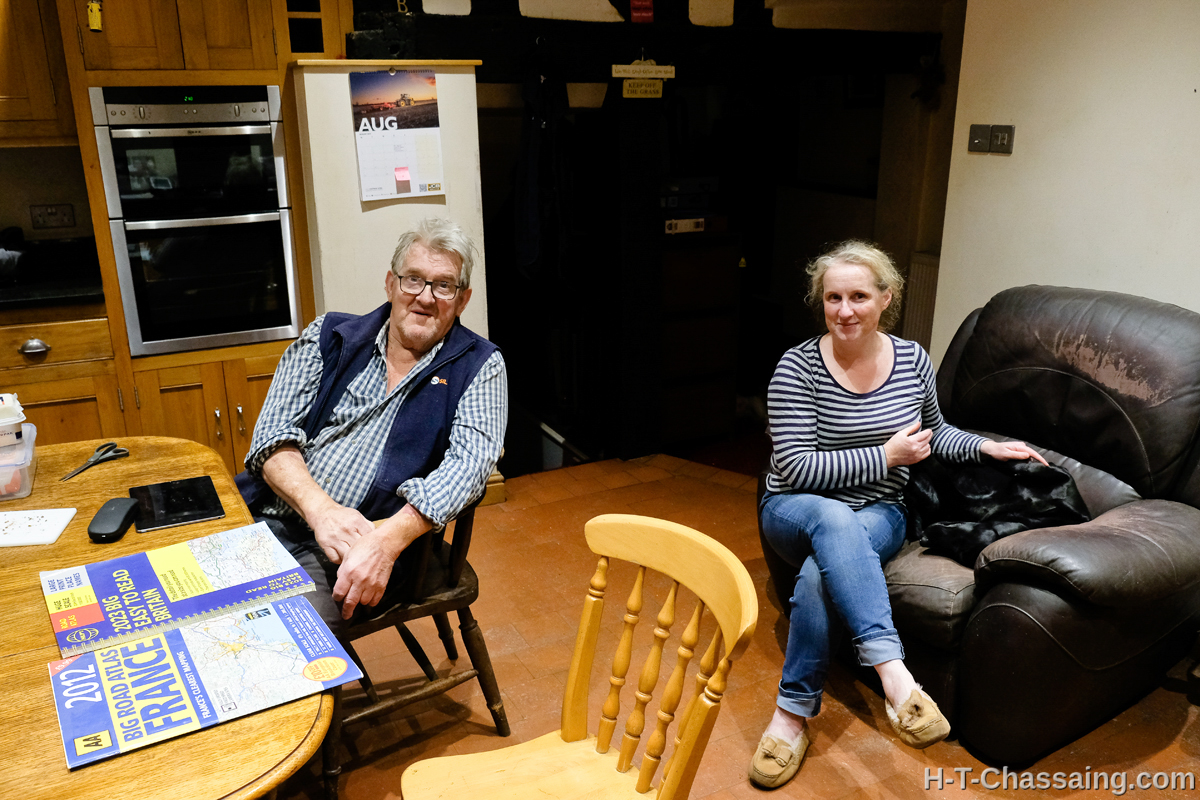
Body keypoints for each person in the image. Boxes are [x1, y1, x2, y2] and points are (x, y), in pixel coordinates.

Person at [749, 240, 1046, 789]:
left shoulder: (911, 359)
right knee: (832, 522)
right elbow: (796, 467)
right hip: (795, 509)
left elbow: (935, 433)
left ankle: (790, 717)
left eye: (859, 296)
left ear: (886, 298)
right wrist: (885, 457)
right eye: (833, 298)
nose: (845, 311)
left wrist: (986, 447)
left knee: (819, 576)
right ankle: (896, 676)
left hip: (880, 511)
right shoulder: (797, 368)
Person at [237, 217, 507, 636]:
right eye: (413, 279)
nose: (425, 297)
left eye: (443, 285)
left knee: (277, 643)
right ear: (390, 283)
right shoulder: (330, 335)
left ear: (462, 299)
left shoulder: (480, 366)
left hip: (356, 548)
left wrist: (387, 541)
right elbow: (271, 436)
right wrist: (322, 511)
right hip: (262, 513)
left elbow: (468, 468)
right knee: (172, 604)